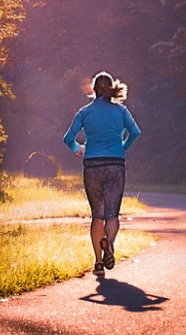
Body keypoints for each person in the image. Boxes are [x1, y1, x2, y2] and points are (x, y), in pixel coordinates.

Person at [63, 71, 141, 278]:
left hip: (92, 165)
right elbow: (136, 133)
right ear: (111, 88)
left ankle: (98, 262)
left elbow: (68, 138)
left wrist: (78, 148)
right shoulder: (121, 111)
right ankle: (110, 246)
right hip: (115, 164)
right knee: (112, 214)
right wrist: (122, 147)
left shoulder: (85, 112)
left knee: (97, 215)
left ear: (94, 89)